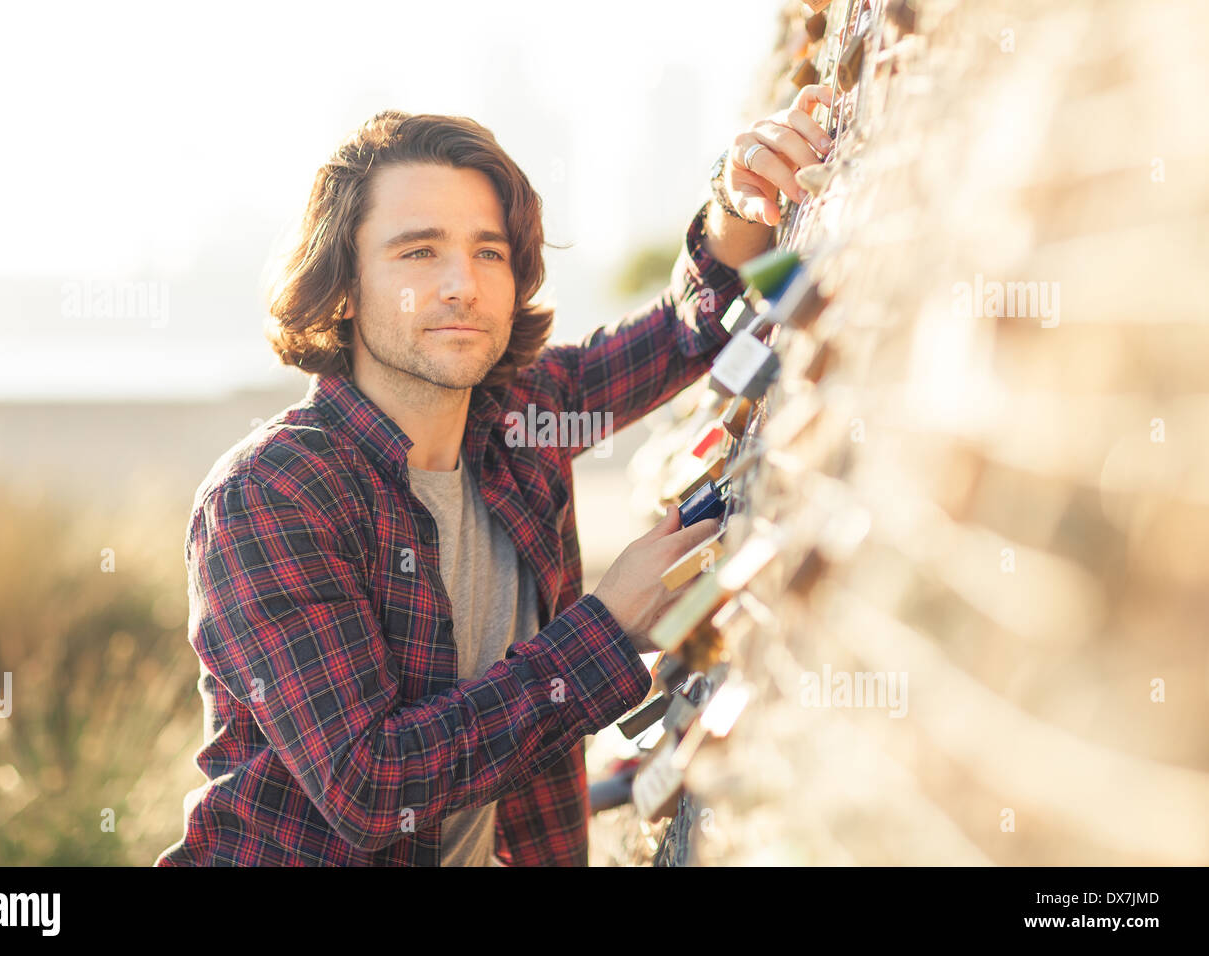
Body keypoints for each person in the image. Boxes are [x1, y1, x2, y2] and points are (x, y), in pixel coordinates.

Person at [155, 88, 832, 866]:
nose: (462, 285)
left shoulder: (519, 422)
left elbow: (689, 328)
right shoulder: (272, 494)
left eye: (488, 251)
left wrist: (735, 190)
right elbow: (372, 789)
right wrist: (608, 629)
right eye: (419, 252)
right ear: (341, 289)